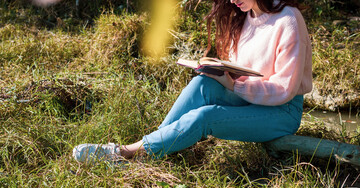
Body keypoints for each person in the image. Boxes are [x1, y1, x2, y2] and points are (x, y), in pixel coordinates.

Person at [72, 0, 312, 162]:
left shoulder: (288, 20)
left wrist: (232, 84)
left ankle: (124, 153)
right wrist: (218, 71)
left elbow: (284, 89)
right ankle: (155, 143)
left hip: (282, 111)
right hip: (249, 99)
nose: (231, 1)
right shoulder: (245, 16)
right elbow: (243, 72)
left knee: (205, 116)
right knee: (202, 85)